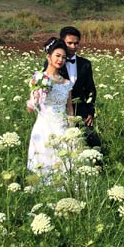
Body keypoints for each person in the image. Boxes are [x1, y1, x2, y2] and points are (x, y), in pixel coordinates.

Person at [27, 38, 74, 175]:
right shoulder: (39, 78)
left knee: (64, 161)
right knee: (43, 162)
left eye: (64, 57)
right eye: (57, 56)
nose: (61, 60)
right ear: (49, 57)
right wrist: (35, 97)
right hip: (43, 127)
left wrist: (71, 129)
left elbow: (69, 108)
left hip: (62, 126)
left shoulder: (66, 82)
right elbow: (30, 109)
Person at [54, 26, 101, 149]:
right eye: (69, 43)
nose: (73, 47)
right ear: (62, 43)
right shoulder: (54, 63)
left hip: (81, 113)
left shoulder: (85, 64)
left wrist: (90, 112)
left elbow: (91, 90)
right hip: (60, 112)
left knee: (93, 143)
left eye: (76, 43)